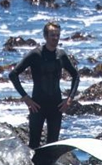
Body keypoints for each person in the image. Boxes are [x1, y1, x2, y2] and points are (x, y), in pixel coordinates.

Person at [9, 21, 80, 149]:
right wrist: (26, 98)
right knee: (34, 144)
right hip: (37, 106)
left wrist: (69, 100)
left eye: (57, 35)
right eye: (52, 35)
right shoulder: (36, 54)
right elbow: (13, 74)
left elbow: (76, 75)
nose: (56, 38)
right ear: (45, 36)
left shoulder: (61, 55)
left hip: (56, 106)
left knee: (53, 145)